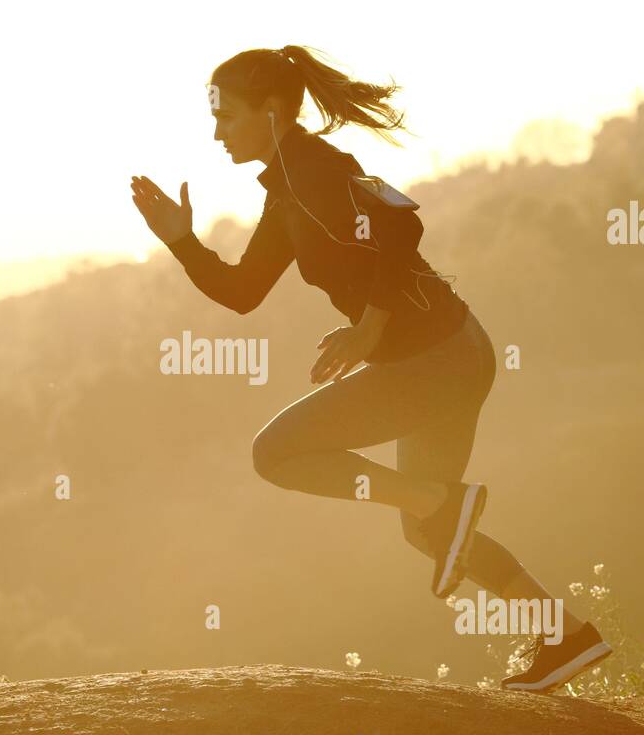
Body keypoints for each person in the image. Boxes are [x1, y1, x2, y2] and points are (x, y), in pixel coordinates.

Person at [130, 44, 610, 693]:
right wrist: (181, 241)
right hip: (448, 354)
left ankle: (442, 503)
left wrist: (372, 325)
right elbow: (243, 291)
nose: (217, 133)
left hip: (435, 361)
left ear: (272, 111)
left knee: (275, 453)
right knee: (429, 532)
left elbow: (399, 226)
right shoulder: (286, 192)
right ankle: (566, 635)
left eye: (229, 117)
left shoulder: (318, 168)